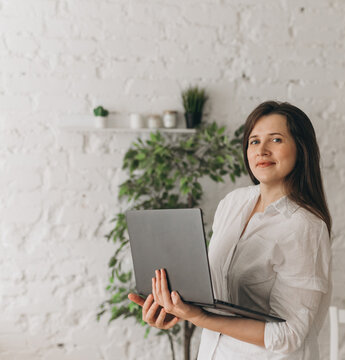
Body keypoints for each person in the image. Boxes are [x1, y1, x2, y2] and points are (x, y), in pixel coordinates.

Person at [128, 101, 332, 359]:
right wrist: (174, 309)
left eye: (276, 140)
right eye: (254, 141)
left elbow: (289, 335)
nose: (262, 150)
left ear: (301, 149)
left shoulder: (304, 227)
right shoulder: (233, 203)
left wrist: (199, 318)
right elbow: (216, 298)